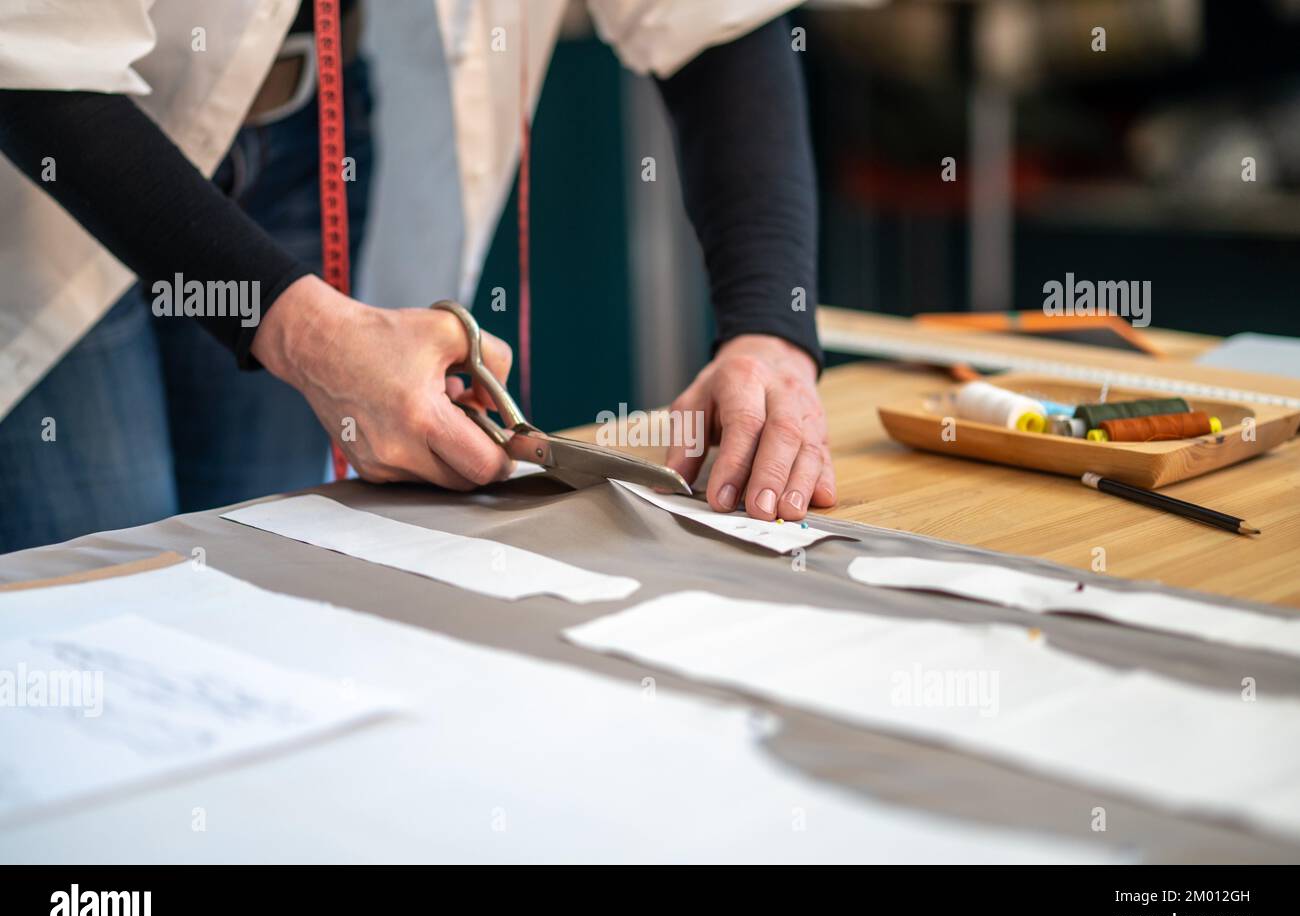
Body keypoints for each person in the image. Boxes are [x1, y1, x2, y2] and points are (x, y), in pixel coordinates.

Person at [0, 0, 835, 554]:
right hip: (44, 161)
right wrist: (311, 333)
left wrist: (768, 333)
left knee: (253, 576)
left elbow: (718, 23)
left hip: (305, 127)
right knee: (107, 593)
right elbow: (27, 47)